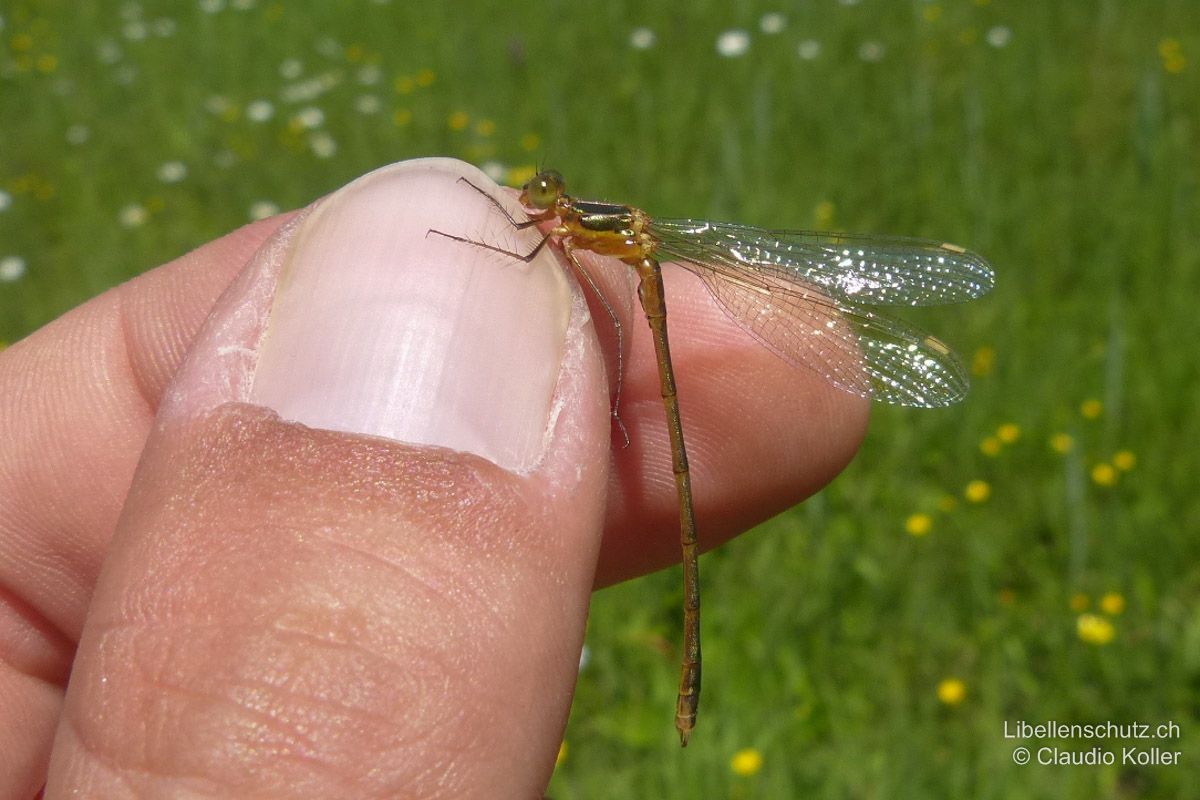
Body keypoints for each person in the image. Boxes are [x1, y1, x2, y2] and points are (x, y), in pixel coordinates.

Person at [1, 158, 867, 798]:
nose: (539, 207)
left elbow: (547, 270)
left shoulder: (586, 240)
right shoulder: (566, 229)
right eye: (541, 200)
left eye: (548, 203)